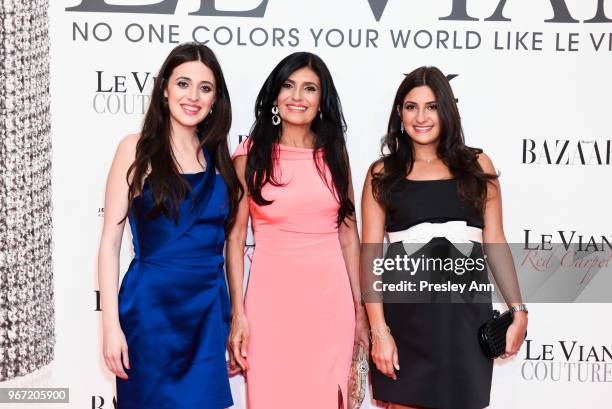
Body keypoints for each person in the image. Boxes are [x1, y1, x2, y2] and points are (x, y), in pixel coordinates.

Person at [361, 66, 528, 409]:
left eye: (432, 106)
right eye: (411, 106)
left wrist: (519, 310)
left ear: (448, 111)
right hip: (405, 322)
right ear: (399, 113)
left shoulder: (478, 165)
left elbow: (494, 241)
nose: (421, 117)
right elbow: (370, 256)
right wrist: (379, 331)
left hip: (466, 321)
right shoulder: (382, 174)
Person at [97, 43, 242, 409]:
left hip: (207, 313)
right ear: (164, 89)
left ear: (215, 99)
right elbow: (110, 243)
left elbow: (227, 244)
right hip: (150, 314)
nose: (193, 96)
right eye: (183, 84)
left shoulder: (220, 158)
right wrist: (111, 327)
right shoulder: (135, 150)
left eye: (205, 88)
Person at [226, 52, 370, 409]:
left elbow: (349, 237)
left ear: (322, 100)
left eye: (309, 88)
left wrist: (360, 309)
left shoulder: (335, 154)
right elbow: (233, 239)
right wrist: (238, 312)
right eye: (288, 86)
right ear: (275, 95)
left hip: (330, 304)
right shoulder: (250, 155)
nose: (297, 96)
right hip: (269, 305)